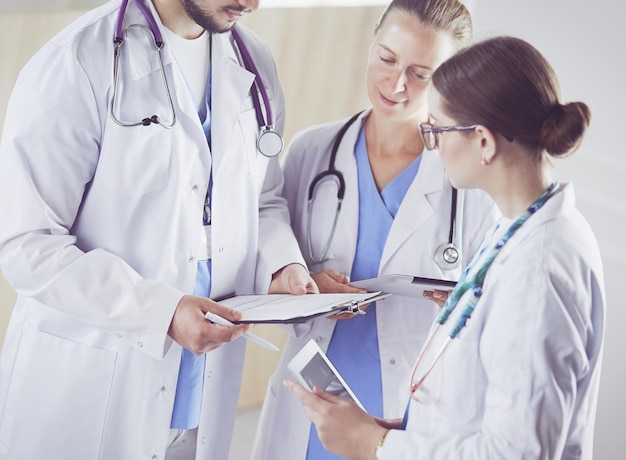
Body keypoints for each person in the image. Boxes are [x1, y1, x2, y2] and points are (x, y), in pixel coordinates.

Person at [0, 0, 318, 459]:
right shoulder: (77, 61)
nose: (253, 2)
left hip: (199, 394)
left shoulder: (253, 61)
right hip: (94, 386)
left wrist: (281, 265)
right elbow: (27, 244)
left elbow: (261, 199)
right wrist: (161, 312)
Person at [285, 35, 606, 460]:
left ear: (485, 143)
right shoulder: (518, 230)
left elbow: (518, 453)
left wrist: (377, 445)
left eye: (437, 128)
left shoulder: (539, 270)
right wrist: (402, 432)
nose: (431, 144)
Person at [252, 1, 499, 459]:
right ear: (371, 45)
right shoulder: (312, 151)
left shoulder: (470, 185)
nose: (397, 84)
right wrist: (299, 286)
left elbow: (495, 321)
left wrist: (464, 308)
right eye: (387, 58)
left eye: (421, 73)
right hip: (307, 408)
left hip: (406, 424)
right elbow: (264, 258)